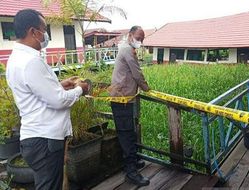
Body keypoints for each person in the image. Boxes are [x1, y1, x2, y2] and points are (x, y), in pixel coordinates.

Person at [6, 9, 89, 190]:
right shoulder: (31, 61)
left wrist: (59, 85)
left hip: (35, 138)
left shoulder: (16, 59)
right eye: (44, 29)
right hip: (45, 140)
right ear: (33, 32)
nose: (46, 35)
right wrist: (79, 90)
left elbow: (35, 92)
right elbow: (58, 101)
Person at [109, 26, 150, 186]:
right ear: (131, 35)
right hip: (121, 99)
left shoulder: (126, 48)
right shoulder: (127, 50)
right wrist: (147, 88)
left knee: (128, 132)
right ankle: (131, 172)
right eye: (139, 38)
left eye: (142, 39)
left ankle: (131, 163)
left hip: (124, 98)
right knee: (126, 134)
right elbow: (137, 73)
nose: (140, 41)